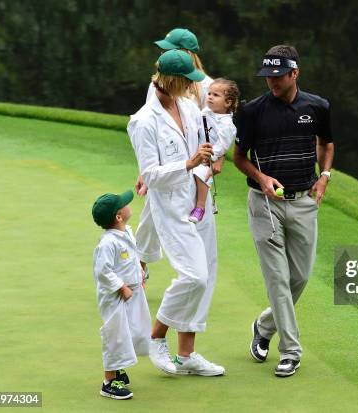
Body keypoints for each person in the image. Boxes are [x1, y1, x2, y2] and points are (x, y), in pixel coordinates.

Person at [234, 45, 334, 377]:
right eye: (268, 77)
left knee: (300, 277)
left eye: (278, 76)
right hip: (265, 204)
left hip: (305, 200)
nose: (272, 83)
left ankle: (263, 326)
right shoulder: (252, 111)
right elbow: (239, 157)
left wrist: (325, 175)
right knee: (278, 278)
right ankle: (290, 350)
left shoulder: (317, 106)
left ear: (295, 73)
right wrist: (261, 178)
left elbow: (326, 143)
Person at [128, 49, 224, 376]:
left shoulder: (187, 107)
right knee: (194, 275)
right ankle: (156, 337)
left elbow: (205, 145)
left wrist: (210, 158)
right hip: (170, 207)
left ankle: (187, 356)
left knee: (204, 277)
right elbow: (151, 175)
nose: (196, 87)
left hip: (198, 201)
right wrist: (189, 162)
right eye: (189, 82)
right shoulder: (142, 122)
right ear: (174, 81)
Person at [91, 190, 152, 399]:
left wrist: (141, 273)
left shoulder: (126, 232)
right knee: (116, 335)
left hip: (133, 291)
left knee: (134, 330)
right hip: (116, 296)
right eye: (124, 204)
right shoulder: (108, 243)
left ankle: (118, 369)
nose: (128, 204)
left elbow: (133, 257)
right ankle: (108, 381)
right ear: (118, 216)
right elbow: (102, 271)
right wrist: (121, 287)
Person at [189, 78, 240, 223]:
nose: (210, 96)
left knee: (201, 174)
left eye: (216, 95)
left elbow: (222, 145)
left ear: (228, 102)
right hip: (195, 152)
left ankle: (200, 207)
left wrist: (211, 157)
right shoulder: (205, 111)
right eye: (209, 93)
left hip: (206, 159)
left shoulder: (227, 124)